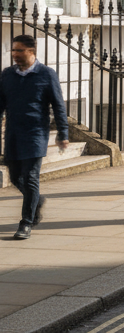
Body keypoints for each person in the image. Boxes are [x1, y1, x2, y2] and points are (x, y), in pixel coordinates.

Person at [0, 34, 69, 240]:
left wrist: (63, 133)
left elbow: (58, 105)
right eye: (13, 50)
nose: (15, 54)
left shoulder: (46, 74)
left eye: (19, 50)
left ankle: (26, 223)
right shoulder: (7, 75)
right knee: (14, 177)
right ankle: (36, 200)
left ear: (32, 51)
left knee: (30, 177)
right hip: (13, 132)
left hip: (35, 134)